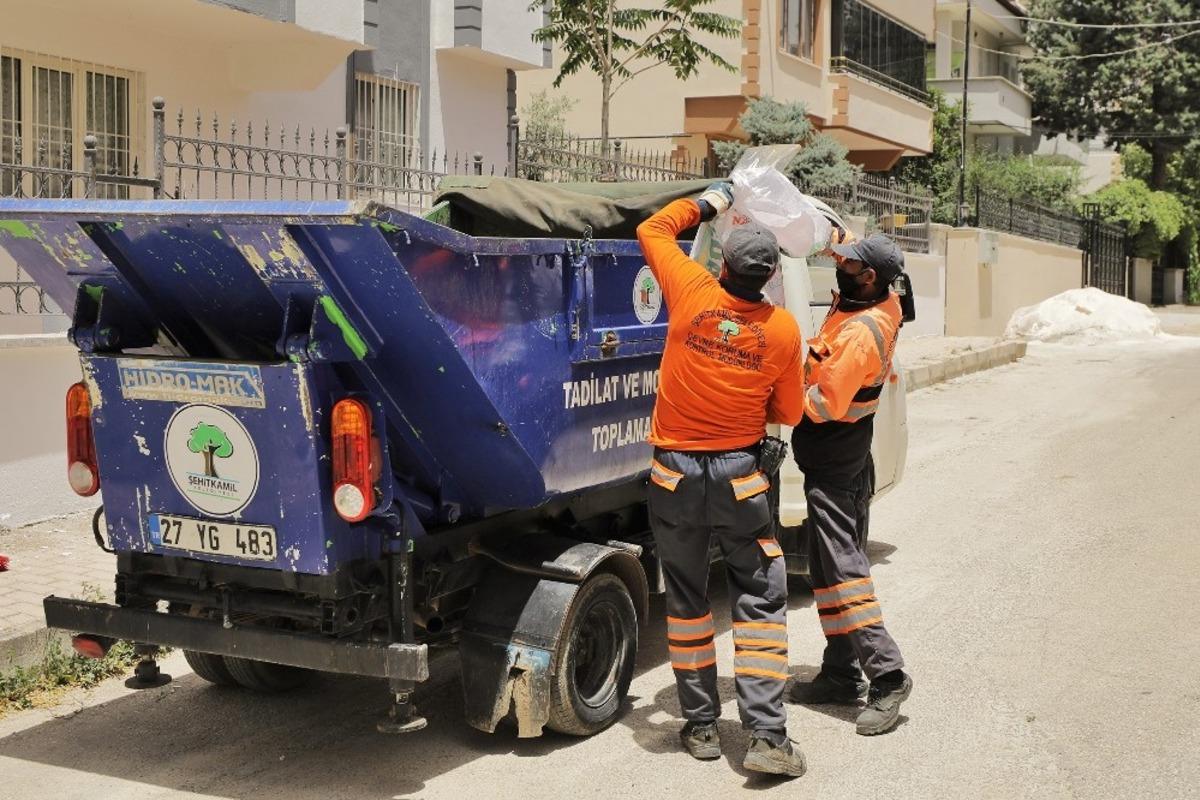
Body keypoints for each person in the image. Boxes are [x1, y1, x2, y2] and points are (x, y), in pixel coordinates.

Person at [637, 183, 807, 777]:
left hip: (673, 474)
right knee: (758, 600)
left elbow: (653, 229)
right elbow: (787, 412)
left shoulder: (690, 290)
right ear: (768, 277)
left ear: (725, 265)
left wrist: (709, 202)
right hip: (740, 478)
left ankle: (702, 725)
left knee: (685, 599)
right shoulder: (783, 331)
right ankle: (766, 736)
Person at [786, 231, 913, 736]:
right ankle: (840, 672)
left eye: (852, 265)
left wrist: (778, 399)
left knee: (844, 569)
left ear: (872, 278)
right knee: (825, 569)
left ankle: (887, 676)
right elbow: (839, 249)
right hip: (841, 459)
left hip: (836, 455)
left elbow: (825, 405)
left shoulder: (862, 329)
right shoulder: (867, 296)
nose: (842, 267)